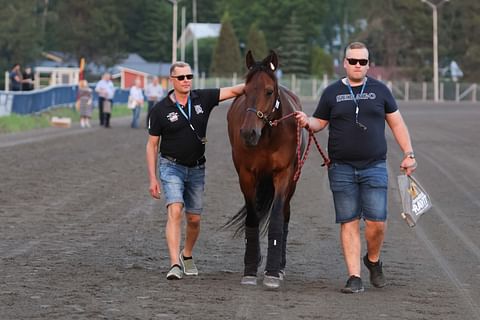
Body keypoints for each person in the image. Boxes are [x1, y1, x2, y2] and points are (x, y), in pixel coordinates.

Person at [295, 42, 417, 294]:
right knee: (348, 221)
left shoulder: (380, 91)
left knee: (377, 222)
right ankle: (354, 277)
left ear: (368, 65)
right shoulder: (331, 93)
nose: (357, 65)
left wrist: (408, 154)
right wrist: (307, 121)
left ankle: (372, 260)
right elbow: (319, 122)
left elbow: (397, 124)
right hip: (341, 168)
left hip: (374, 166)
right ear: (345, 63)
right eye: (353, 61)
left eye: (362, 62)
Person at [146, 61, 245, 280]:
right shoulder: (160, 110)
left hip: (197, 168)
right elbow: (152, 145)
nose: (186, 81)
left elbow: (234, 90)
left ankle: (186, 254)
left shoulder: (203, 98)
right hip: (171, 166)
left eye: (189, 76)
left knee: (194, 220)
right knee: (175, 210)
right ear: (171, 80)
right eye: (181, 77)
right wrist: (153, 178)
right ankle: (174, 264)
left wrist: (258, 80)